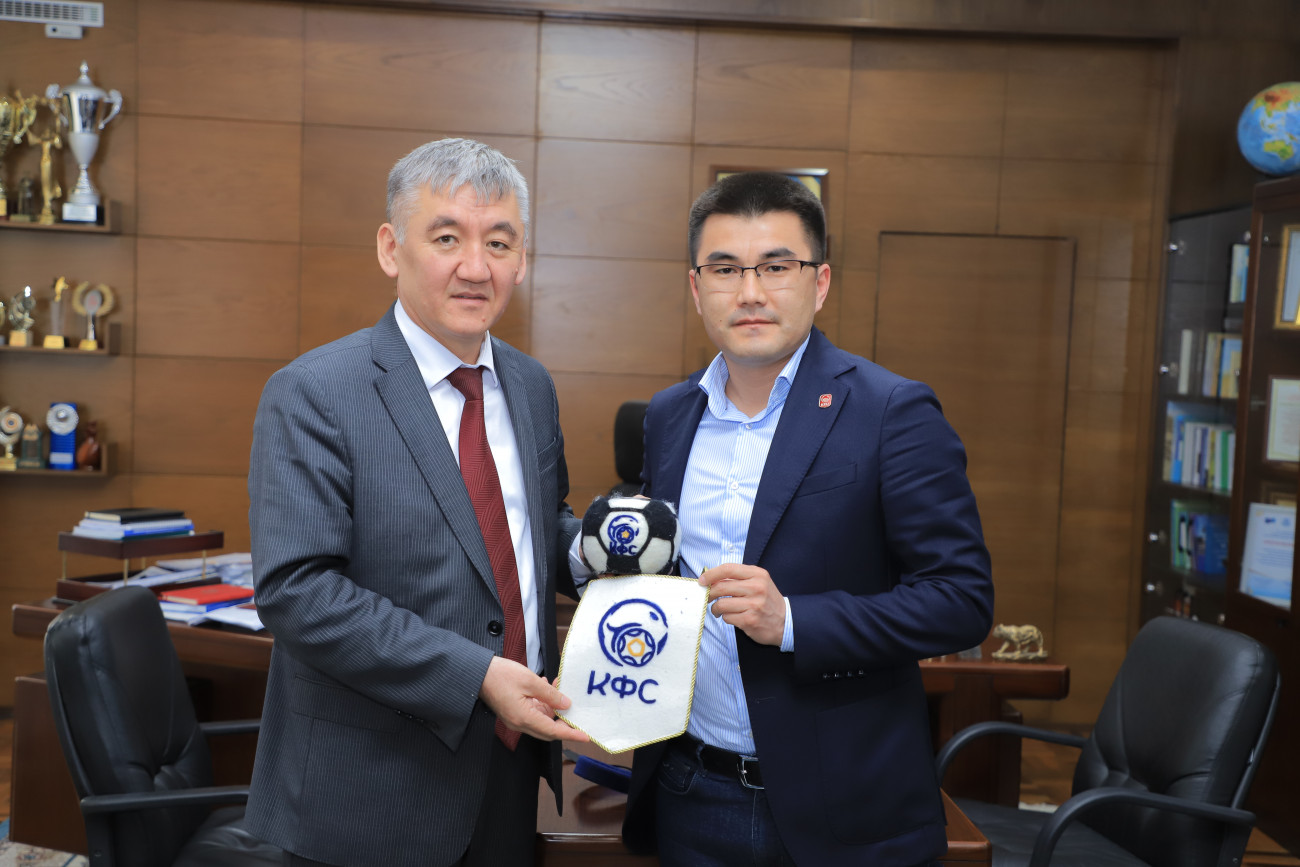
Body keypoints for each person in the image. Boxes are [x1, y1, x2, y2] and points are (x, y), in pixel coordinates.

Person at [620, 172, 995, 866]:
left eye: (776, 266)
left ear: (819, 283)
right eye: (725, 268)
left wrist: (792, 620)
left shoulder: (892, 411)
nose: (750, 291)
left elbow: (962, 600)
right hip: (688, 790)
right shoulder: (671, 415)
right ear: (697, 288)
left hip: (844, 810)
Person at [246, 137, 587, 867]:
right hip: (370, 795)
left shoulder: (531, 386)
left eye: (499, 242)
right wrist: (476, 676)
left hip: (511, 767)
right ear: (390, 248)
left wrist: (595, 551)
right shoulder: (314, 393)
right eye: (447, 238)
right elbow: (298, 592)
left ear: (522, 261)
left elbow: (532, 530)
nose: (476, 267)